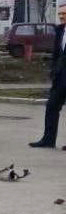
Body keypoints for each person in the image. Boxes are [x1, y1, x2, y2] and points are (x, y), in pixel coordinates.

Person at [29, 9, 66, 148]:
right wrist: (53, 71)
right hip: (60, 76)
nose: (61, 16)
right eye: (60, 14)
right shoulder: (60, 30)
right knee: (51, 106)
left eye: (64, 14)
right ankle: (48, 139)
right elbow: (57, 53)